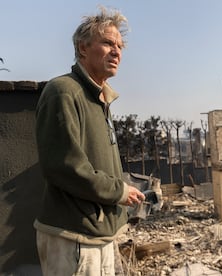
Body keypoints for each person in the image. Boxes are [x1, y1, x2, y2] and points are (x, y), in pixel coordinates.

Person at [34, 7, 145, 275]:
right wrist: (119, 191)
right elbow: (65, 166)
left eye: (119, 46)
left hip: (97, 235)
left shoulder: (99, 98)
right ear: (83, 48)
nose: (117, 52)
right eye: (107, 43)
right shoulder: (64, 92)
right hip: (74, 236)